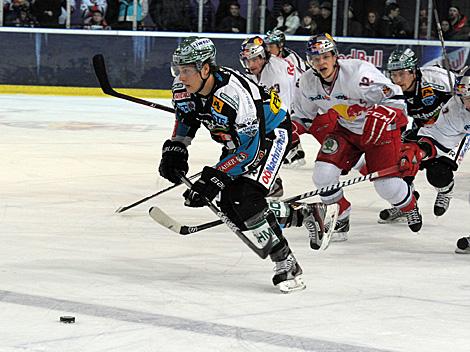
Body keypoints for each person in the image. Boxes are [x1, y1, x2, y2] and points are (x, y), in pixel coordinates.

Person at [158, 37, 326, 292]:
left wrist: (212, 179)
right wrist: (176, 148)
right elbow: (186, 117)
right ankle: (304, 214)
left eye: (186, 70)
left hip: (270, 136)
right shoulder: (183, 87)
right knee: (230, 204)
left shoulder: (234, 93)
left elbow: (251, 150)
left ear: (205, 69)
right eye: (178, 70)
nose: (181, 77)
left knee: (242, 198)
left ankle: (286, 262)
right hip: (240, 141)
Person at [291, 33, 422, 238]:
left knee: (387, 186)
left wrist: (385, 112)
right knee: (323, 175)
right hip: (346, 130)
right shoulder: (307, 82)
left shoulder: (358, 73)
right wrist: (288, 132)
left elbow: (395, 97)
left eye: (325, 56)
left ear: (335, 56)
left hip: (380, 132)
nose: (321, 62)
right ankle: (340, 215)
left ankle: (409, 204)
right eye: (315, 59)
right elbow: (303, 117)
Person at [379, 48, 458, 223]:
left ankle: (445, 188)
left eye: (401, 74)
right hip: (423, 128)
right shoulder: (391, 90)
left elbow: (463, 89)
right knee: (400, 161)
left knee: (437, 172)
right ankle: (406, 201)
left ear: (414, 71)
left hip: (453, 129)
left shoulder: (436, 78)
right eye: (393, 75)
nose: (397, 80)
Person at [397, 68, 470, 253]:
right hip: (447, 132)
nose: (467, 104)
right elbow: (439, 135)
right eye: (464, 98)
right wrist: (421, 151)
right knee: (438, 173)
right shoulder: (457, 106)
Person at [264, 29, 309, 168]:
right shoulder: (270, 59)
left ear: (280, 46)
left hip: (298, 97)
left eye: (271, 46)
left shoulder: (291, 58)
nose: (268, 49)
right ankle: (295, 151)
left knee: (285, 122)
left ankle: (295, 152)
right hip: (285, 95)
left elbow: (305, 77)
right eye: (267, 45)